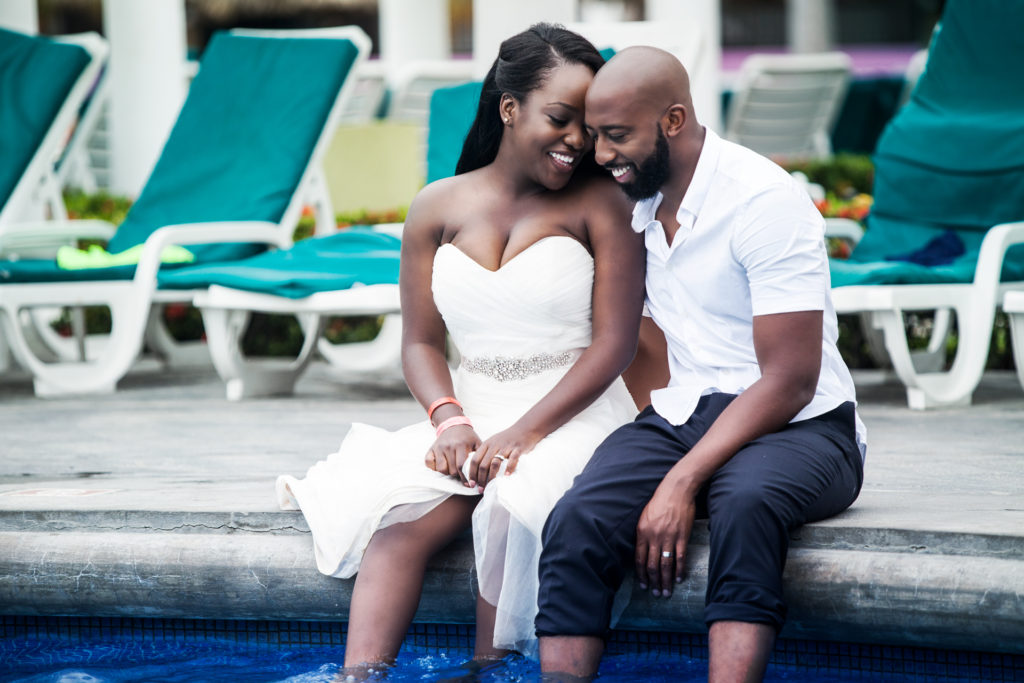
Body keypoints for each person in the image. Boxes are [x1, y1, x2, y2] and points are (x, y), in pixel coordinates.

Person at [275, 24, 645, 673]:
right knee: (396, 529)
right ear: (509, 108)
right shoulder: (435, 206)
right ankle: (356, 675)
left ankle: (488, 669)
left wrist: (526, 432)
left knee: (510, 504)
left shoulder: (602, 205)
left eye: (586, 125)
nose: (577, 141)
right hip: (470, 415)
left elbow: (614, 345)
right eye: (561, 118)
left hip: (574, 414)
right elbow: (420, 340)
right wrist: (449, 417)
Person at [535, 46, 867, 683]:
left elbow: (791, 379)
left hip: (806, 426)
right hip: (686, 411)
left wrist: (682, 481)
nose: (602, 155)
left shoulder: (763, 202)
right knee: (579, 516)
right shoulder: (634, 197)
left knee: (746, 499)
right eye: (596, 136)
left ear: (674, 120)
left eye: (616, 135)